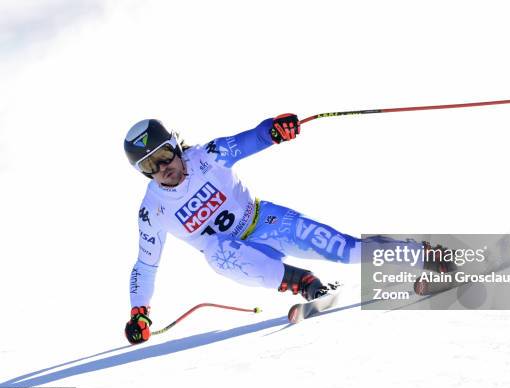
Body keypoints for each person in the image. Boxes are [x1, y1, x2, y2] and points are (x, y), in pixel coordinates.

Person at [122, 114, 445, 345]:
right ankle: (306, 284)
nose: (164, 168)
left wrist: (275, 130)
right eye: (150, 165)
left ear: (175, 146)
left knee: (349, 251)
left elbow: (249, 139)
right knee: (217, 253)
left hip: (267, 222)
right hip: (242, 256)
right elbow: (145, 265)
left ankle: (425, 256)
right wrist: (140, 312)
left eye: (164, 155)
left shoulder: (207, 156)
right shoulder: (153, 211)